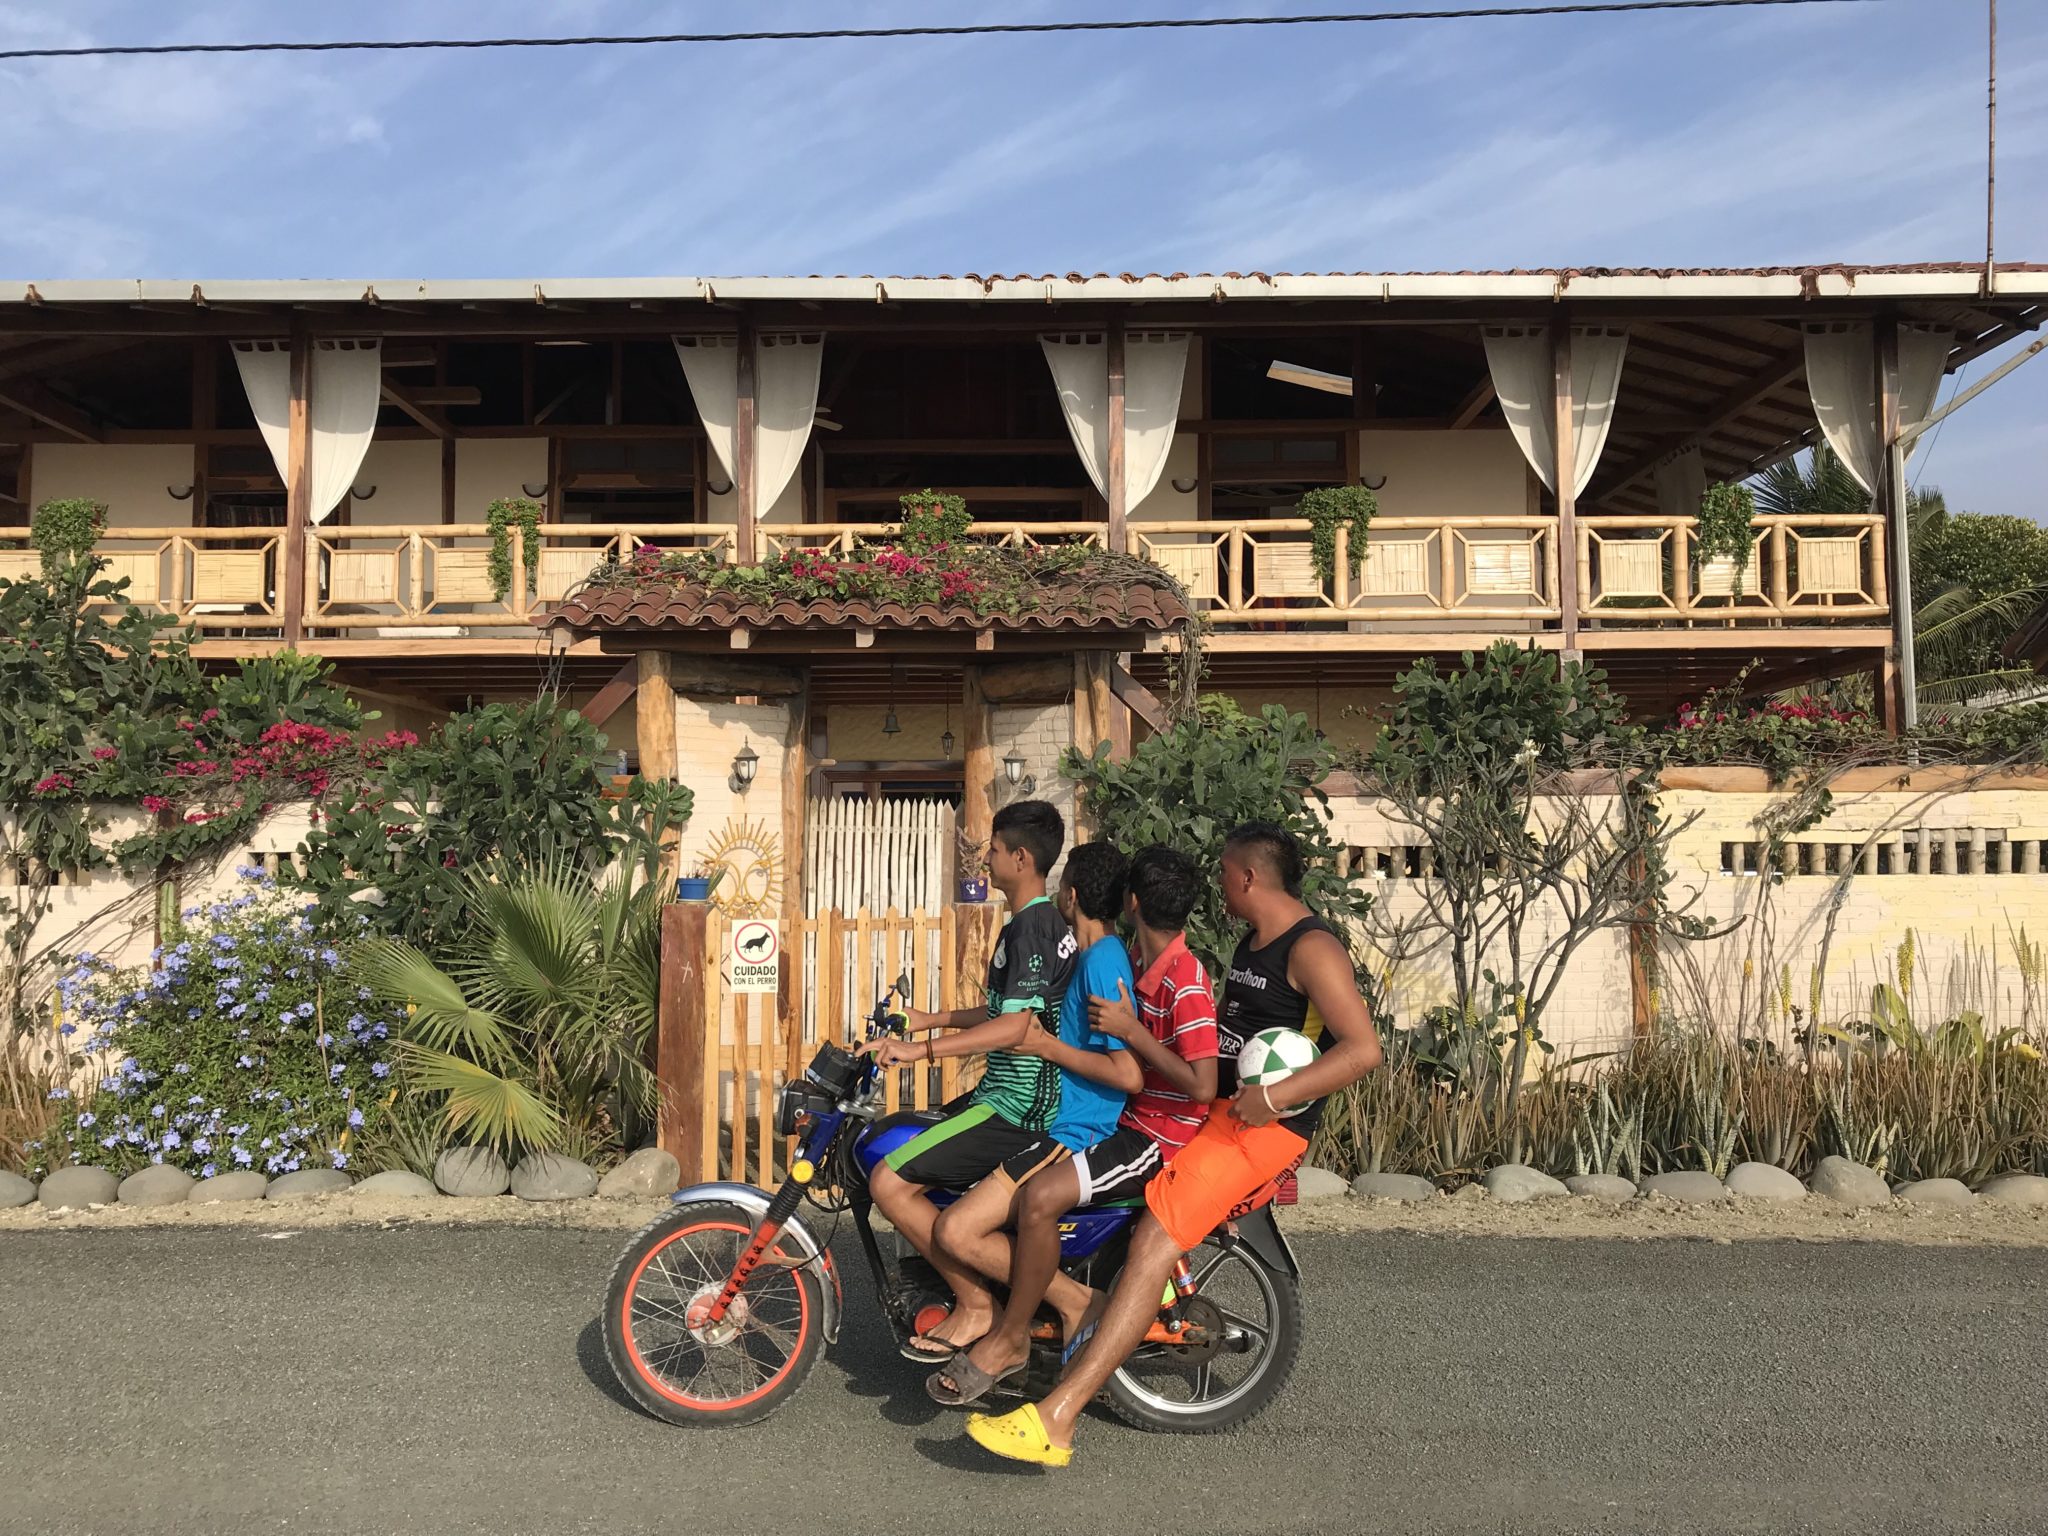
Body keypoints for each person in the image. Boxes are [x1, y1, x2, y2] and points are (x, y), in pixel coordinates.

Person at [965, 821, 1383, 1467]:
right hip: (1225, 1117)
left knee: (1154, 1242)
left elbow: (1363, 1050)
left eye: (1223, 872)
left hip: (1263, 1131)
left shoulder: (1312, 948)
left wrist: (1269, 1100)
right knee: (1130, 1227)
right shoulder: (1253, 941)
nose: (1218, 884)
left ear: (1247, 876)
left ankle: (1056, 1419)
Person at [929, 844, 1220, 1406]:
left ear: (1126, 902)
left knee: (1022, 1206)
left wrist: (1060, 1044)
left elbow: (1140, 1074)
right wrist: (936, 1027)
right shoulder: (1130, 961)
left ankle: (1014, 1334)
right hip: (1103, 1119)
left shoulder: (1145, 970)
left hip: (1144, 1132)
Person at [859, 799, 1076, 1361]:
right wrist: (931, 1019)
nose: (986, 861)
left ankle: (978, 1304)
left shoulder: (1033, 926)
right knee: (903, 1147)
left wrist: (921, 1050)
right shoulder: (1036, 923)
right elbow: (1003, 1010)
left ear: (1022, 858)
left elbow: (1016, 1026)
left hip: (1016, 1105)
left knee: (887, 1181)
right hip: (1000, 1096)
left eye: (995, 850)